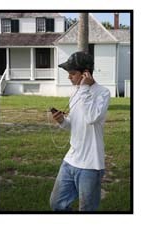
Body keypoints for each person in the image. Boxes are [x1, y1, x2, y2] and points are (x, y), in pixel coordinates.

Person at [50, 51, 111, 211]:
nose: (69, 77)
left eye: (72, 73)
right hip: (71, 159)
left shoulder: (103, 93)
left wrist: (84, 89)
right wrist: (62, 121)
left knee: (87, 210)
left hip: (91, 164)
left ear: (86, 73)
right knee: (57, 203)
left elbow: (92, 118)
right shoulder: (75, 92)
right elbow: (75, 124)